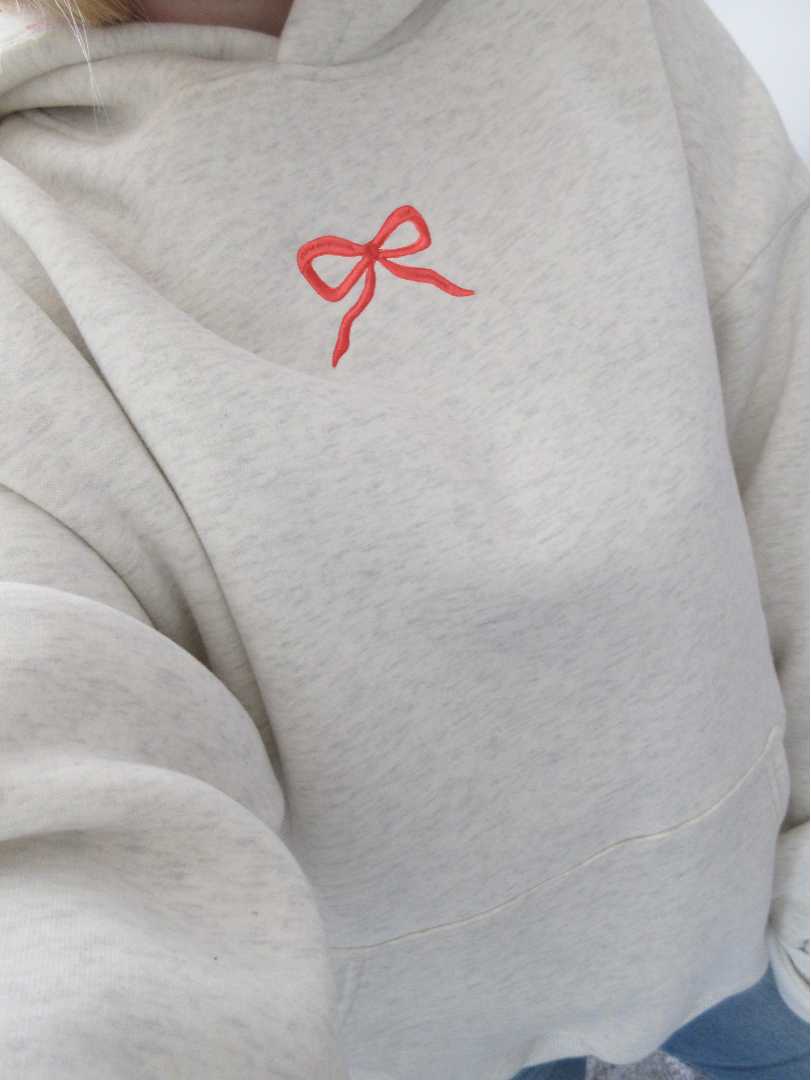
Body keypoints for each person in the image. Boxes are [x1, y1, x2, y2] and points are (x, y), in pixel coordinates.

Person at [0, 1, 808, 1078]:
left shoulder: (614, 27)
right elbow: (47, 799)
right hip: (407, 1035)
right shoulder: (21, 247)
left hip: (755, 919)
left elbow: (790, 440)